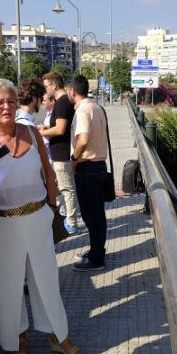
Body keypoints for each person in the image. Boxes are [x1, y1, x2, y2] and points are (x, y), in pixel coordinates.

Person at [0, 79, 84, 354]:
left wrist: (51, 208)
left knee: (46, 280)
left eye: (10, 100)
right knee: (7, 285)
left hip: (36, 218)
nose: (6, 106)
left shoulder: (31, 132)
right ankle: (17, 338)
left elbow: (49, 173)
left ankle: (59, 335)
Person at [68, 75, 110, 271]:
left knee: (91, 216)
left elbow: (83, 139)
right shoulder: (97, 107)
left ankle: (96, 259)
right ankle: (96, 251)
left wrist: (74, 159)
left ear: (72, 91)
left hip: (88, 168)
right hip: (100, 166)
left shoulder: (83, 110)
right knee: (97, 215)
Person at [40, 72, 80, 235]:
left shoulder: (62, 103)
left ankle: (71, 222)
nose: (46, 90)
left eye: (46, 86)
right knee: (61, 187)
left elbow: (60, 128)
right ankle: (66, 217)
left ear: (54, 85)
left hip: (62, 152)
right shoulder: (62, 102)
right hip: (59, 152)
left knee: (66, 188)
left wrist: (40, 133)